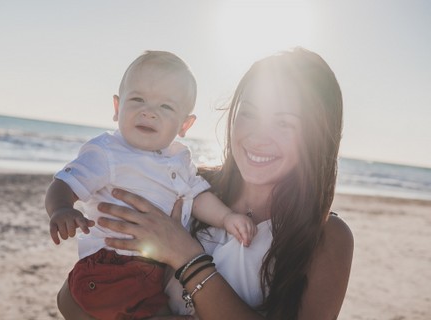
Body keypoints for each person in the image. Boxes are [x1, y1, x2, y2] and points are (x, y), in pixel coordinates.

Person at [57, 47, 354, 319]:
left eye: (283, 122)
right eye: (248, 114)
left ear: (317, 136)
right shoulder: (188, 185)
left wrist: (186, 256)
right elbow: (70, 300)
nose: (257, 136)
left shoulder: (326, 236)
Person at [46, 51, 256, 320]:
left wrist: (227, 217)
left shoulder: (180, 159)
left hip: (151, 275)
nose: (149, 112)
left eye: (166, 107)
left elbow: (198, 195)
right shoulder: (108, 151)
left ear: (185, 124)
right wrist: (61, 209)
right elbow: (64, 181)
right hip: (109, 267)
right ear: (117, 107)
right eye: (137, 99)